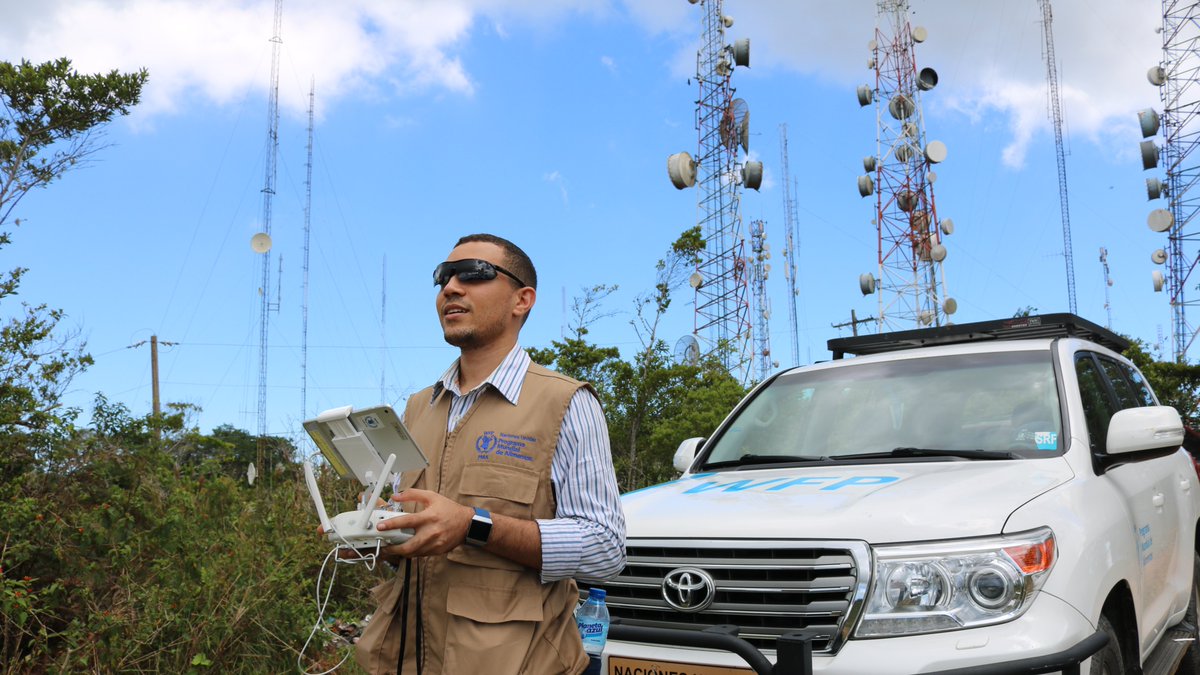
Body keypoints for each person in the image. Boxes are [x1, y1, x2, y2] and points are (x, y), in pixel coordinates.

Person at [354, 233, 627, 675]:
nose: (451, 288)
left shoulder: (566, 402)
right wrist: (377, 534)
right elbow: (413, 533)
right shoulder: (417, 407)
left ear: (523, 300)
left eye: (473, 274)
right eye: (443, 277)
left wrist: (473, 526)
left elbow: (605, 548)